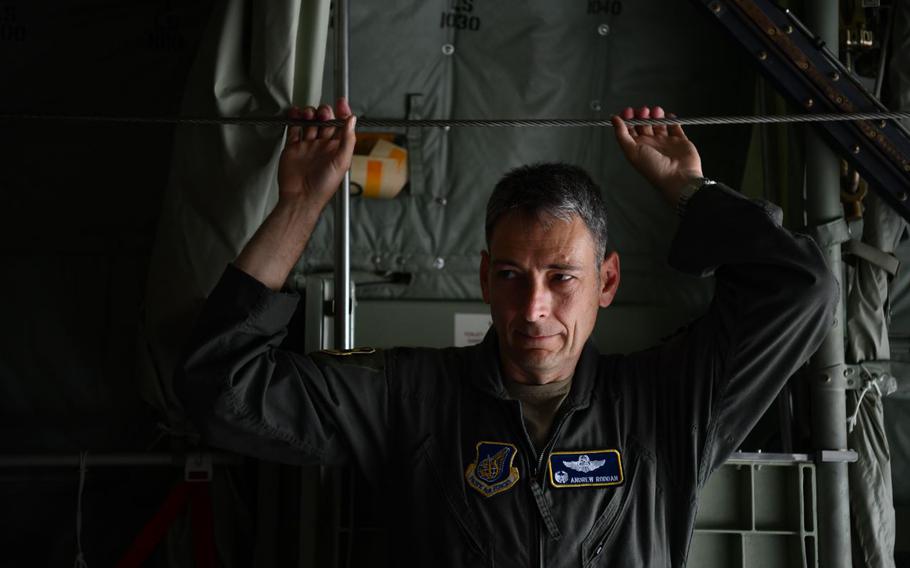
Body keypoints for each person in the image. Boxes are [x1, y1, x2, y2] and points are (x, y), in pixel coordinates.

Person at [176, 99, 837, 567]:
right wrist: (301, 205)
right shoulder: (410, 395)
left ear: (607, 282)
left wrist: (691, 193)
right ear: (485, 278)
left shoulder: (670, 403)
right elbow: (221, 388)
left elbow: (800, 286)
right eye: (514, 276)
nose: (534, 309)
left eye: (562, 278)